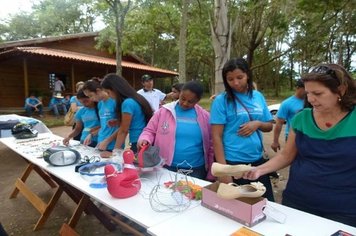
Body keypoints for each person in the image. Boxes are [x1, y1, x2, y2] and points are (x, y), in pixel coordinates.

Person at [244, 63, 356, 227]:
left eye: (317, 93)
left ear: (342, 89)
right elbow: (286, 155)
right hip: (298, 200)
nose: (310, 99)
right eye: (308, 93)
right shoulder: (302, 118)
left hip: (345, 208)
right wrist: (259, 170)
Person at [210, 58, 274, 201]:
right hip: (233, 163)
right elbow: (216, 137)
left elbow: (269, 125)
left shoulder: (258, 97)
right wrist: (223, 171)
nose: (236, 83)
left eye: (240, 77)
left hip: (257, 162)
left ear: (248, 75)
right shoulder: (221, 101)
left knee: (262, 204)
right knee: (236, 208)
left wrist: (257, 123)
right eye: (230, 79)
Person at [138, 81, 214, 180]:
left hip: (196, 169)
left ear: (198, 100)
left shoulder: (205, 117)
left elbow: (212, 145)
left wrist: (211, 171)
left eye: (190, 101)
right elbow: (149, 131)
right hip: (166, 167)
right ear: (180, 93)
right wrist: (145, 139)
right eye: (183, 98)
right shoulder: (163, 111)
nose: (185, 103)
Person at [101, 73, 153, 153]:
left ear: (115, 89)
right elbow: (137, 120)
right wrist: (118, 122)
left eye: (108, 92)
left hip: (138, 142)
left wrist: (115, 153)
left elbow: (123, 131)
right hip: (144, 140)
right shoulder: (136, 98)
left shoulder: (127, 103)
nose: (109, 96)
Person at [82, 78, 118, 153]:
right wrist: (91, 134)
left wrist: (107, 141)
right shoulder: (100, 104)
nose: (91, 99)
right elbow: (104, 125)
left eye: (91, 95)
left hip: (113, 145)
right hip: (100, 143)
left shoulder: (115, 101)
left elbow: (122, 127)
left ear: (98, 91)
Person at [271, 79, 306, 152]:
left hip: (309, 136)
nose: (307, 91)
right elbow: (279, 123)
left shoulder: (311, 101)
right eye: (305, 88)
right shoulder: (287, 103)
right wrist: (275, 141)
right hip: (292, 137)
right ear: (298, 88)